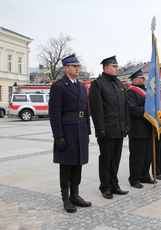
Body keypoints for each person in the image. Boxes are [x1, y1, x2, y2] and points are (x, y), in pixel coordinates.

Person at [49, 54, 91, 213]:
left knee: (78, 163)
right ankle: (66, 198)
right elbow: (54, 113)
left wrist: (87, 131)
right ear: (66, 68)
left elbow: (85, 111)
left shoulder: (81, 87)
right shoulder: (59, 86)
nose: (77, 68)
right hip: (66, 130)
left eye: (78, 66)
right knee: (66, 165)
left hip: (79, 129)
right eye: (74, 66)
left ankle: (75, 195)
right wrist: (58, 135)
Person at [88, 55, 129, 199]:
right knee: (106, 159)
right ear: (106, 68)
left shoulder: (119, 84)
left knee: (116, 158)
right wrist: (100, 129)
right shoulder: (98, 84)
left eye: (117, 67)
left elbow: (124, 107)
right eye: (114, 67)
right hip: (107, 129)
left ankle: (114, 184)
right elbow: (96, 108)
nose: (117, 69)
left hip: (118, 128)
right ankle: (105, 186)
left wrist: (126, 125)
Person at [127, 69, 154, 189]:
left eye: (144, 78)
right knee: (137, 155)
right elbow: (132, 109)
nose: (144, 79)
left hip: (148, 128)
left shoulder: (146, 91)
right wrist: (148, 111)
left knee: (147, 154)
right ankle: (134, 178)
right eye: (141, 78)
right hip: (137, 129)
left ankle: (144, 175)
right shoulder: (131, 92)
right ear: (134, 80)